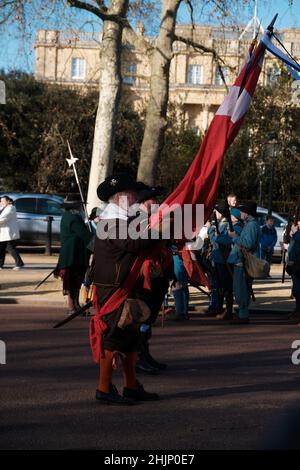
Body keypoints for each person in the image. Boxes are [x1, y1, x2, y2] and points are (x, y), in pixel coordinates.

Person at [93, 173, 160, 405]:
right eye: (131, 193)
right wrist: (159, 229)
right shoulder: (112, 220)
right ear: (119, 197)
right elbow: (133, 243)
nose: (134, 197)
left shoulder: (121, 219)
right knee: (113, 337)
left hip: (122, 285)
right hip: (112, 288)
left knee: (130, 337)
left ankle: (131, 386)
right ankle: (104, 388)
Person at [132, 182, 172, 374]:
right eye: (152, 199)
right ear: (143, 201)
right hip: (141, 278)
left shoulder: (151, 218)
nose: (155, 202)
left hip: (156, 275)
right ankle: (138, 357)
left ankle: (145, 354)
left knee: (149, 317)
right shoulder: (136, 219)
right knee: (142, 316)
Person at [54, 193, 92, 314]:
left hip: (75, 254)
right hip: (73, 255)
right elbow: (84, 235)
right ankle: (72, 307)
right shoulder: (73, 218)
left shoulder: (69, 216)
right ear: (75, 206)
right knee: (72, 282)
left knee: (77, 281)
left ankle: (75, 305)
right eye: (80, 205)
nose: (81, 208)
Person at [228, 201, 261, 324]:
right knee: (242, 288)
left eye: (242, 211)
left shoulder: (252, 226)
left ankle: (243, 315)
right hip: (241, 260)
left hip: (242, 261)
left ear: (247, 213)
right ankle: (242, 313)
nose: (240, 213)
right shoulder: (250, 224)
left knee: (240, 289)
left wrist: (234, 237)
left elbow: (247, 244)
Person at [0, 196, 24, 270]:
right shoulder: (2, 208)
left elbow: (3, 218)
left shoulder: (11, 208)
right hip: (2, 233)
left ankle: (19, 263)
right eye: (1, 201)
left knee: (10, 248)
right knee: (1, 249)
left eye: (3, 201)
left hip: (8, 232)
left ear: (8, 201)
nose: (2, 202)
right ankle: (0, 264)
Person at [287, 229, 300, 322]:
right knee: (296, 289)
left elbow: (293, 250)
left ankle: (298, 313)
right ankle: (297, 311)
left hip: (298, 264)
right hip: (296, 263)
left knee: (298, 290)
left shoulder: (297, 235)